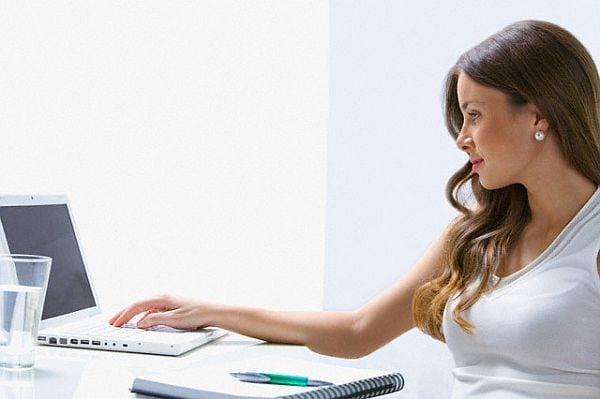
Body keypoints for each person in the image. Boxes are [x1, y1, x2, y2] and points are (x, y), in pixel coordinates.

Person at [110, 20, 600, 398]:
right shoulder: (478, 235)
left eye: (474, 114)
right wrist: (212, 313)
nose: (461, 138)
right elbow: (358, 332)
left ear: (538, 115)